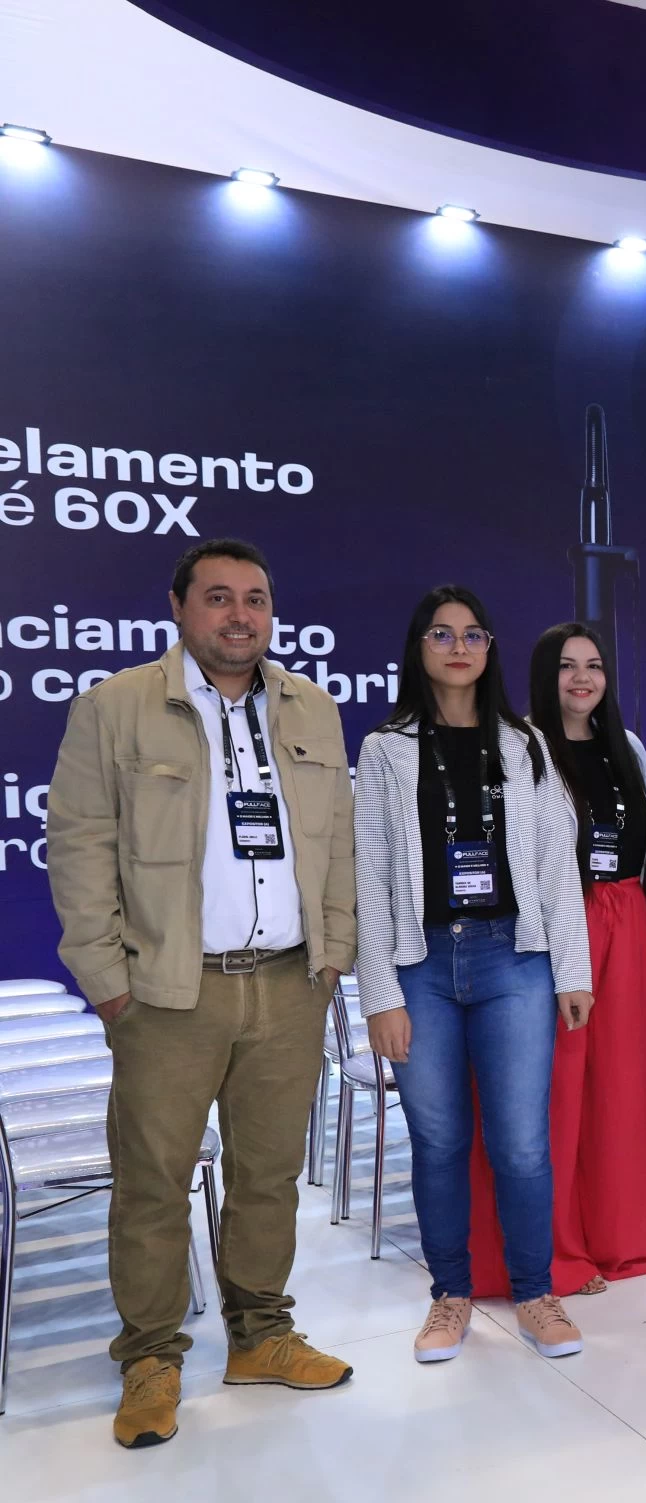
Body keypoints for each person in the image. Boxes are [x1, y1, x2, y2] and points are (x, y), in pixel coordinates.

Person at [49, 539, 357, 1449]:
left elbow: (337, 841)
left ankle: (260, 1334)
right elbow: (78, 846)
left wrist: (333, 954)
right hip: (168, 996)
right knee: (153, 1184)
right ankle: (150, 1356)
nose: (240, 615)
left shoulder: (312, 708)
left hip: (288, 984)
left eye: (255, 599)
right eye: (219, 597)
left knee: (268, 1175)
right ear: (179, 607)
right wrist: (110, 984)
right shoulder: (115, 707)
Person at [355, 586, 594, 1365]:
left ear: (490, 648)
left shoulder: (524, 744)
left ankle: (535, 1293)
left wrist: (572, 971)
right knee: (438, 1139)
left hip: (512, 957)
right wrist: (380, 994)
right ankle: (450, 1294)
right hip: (421, 962)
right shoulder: (386, 749)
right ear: (418, 647)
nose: (459, 648)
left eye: (473, 635)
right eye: (442, 634)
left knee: (521, 1142)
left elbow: (556, 865)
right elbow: (369, 877)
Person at [464, 625, 646, 1299]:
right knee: (553, 1093)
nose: (583, 678)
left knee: (623, 1089)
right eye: (567, 666)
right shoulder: (518, 747)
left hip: (629, 922)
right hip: (557, 927)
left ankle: (619, 1237)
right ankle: (550, 1251)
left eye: (595, 665)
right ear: (542, 675)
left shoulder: (628, 746)